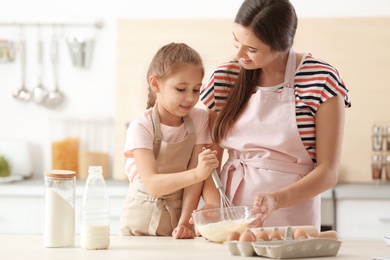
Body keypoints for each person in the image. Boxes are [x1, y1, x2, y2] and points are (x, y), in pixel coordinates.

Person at [199, 0, 351, 231]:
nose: (239, 55)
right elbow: (208, 160)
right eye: (236, 41)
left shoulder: (321, 79)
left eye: (251, 49)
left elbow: (328, 172)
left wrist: (276, 200)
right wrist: (213, 206)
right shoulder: (224, 79)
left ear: (281, 46)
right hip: (231, 217)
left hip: (294, 217)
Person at [120, 42, 219, 239]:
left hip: (178, 216)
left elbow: (195, 181)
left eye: (196, 89)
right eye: (181, 89)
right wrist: (198, 173)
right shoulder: (141, 127)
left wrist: (184, 222)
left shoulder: (199, 119)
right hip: (139, 223)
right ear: (156, 84)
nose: (190, 98)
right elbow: (153, 185)